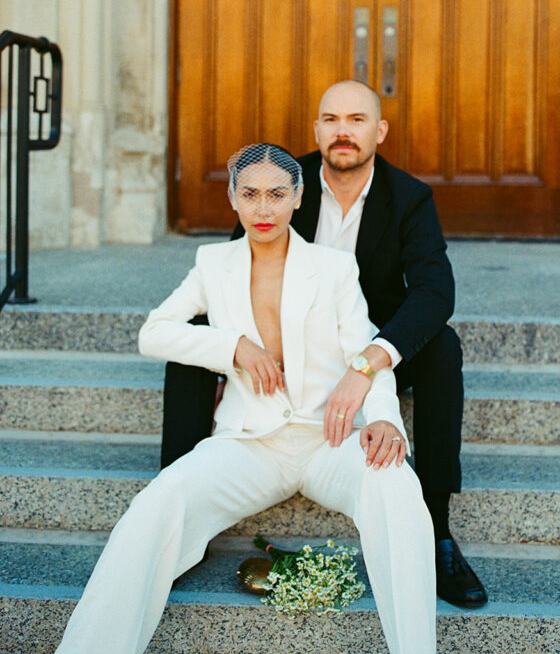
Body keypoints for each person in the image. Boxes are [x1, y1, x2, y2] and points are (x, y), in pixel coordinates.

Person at [55, 143, 436, 654]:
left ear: (299, 198)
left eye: (277, 194)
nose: (263, 209)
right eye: (250, 194)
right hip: (249, 445)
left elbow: (366, 350)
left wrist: (386, 418)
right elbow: (154, 333)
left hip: (331, 438)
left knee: (398, 487)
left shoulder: (334, 268)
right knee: (157, 501)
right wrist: (231, 345)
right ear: (233, 198)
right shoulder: (213, 263)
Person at [162, 82, 487, 609]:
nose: (343, 131)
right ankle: (175, 523)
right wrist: (235, 350)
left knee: (442, 348)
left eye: (357, 120)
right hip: (282, 352)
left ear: (378, 132)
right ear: (316, 130)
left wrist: (370, 362)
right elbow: (231, 270)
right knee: (192, 344)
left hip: (366, 346)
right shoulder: (280, 183)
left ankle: (436, 533)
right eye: (331, 119)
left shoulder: (408, 197)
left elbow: (435, 291)